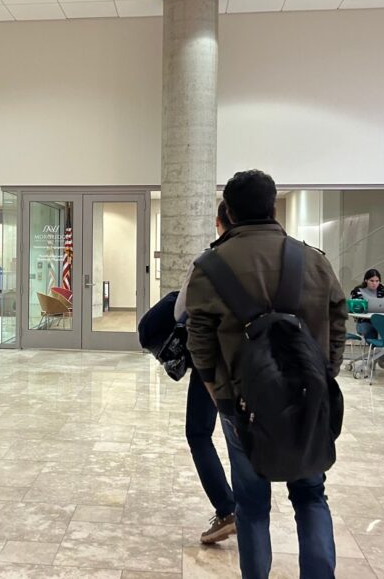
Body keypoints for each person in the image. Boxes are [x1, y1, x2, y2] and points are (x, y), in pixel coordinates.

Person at [185, 169, 346, 579]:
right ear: (273, 206)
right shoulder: (314, 260)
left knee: (252, 506)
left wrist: (216, 393)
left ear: (230, 213)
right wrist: (324, 374)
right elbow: (339, 317)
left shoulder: (209, 267)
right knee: (311, 496)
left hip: (241, 403)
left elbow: (198, 341)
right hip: (310, 398)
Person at [176, 201, 237, 545]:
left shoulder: (208, 261)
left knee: (200, 432)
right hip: (265, 365)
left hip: (214, 363)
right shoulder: (293, 258)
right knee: (245, 436)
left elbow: (181, 310)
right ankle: (248, 510)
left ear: (219, 222)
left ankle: (228, 508)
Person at [349, 268, 384, 341]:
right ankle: (377, 348)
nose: (374, 283)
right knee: (375, 329)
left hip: (382, 321)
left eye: (377, 281)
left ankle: (380, 349)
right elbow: (354, 308)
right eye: (371, 281)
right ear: (366, 280)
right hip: (365, 322)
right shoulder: (358, 291)